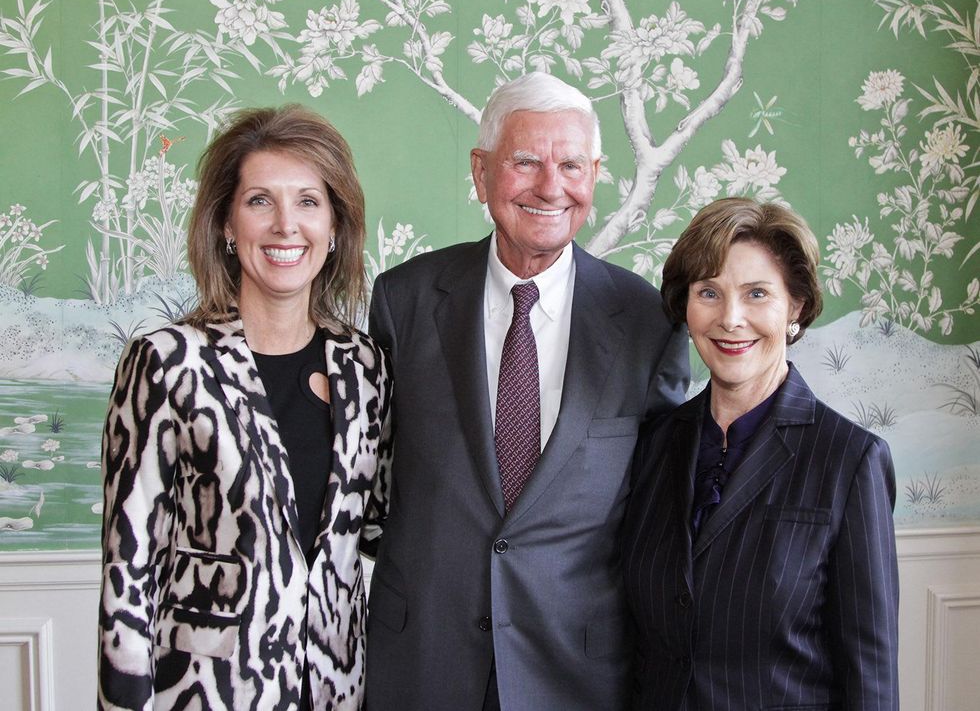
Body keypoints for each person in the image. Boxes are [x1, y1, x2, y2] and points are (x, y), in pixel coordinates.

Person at [363, 71, 690, 710]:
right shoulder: (402, 301)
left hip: (578, 674)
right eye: (526, 162)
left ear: (595, 174)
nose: (550, 186)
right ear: (481, 171)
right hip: (423, 666)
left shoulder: (648, 322)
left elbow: (659, 516)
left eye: (571, 164)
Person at [97, 105, 392, 710]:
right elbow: (128, 566)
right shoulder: (166, 362)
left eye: (308, 202)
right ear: (228, 225)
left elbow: (385, 531)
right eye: (261, 201)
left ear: (335, 226)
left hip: (338, 689)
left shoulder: (366, 367)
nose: (286, 226)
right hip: (207, 692)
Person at [623, 197, 899, 710]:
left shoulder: (850, 460)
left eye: (757, 294)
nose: (731, 318)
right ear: (687, 306)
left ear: (795, 306)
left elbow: (870, 671)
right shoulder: (655, 443)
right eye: (709, 292)